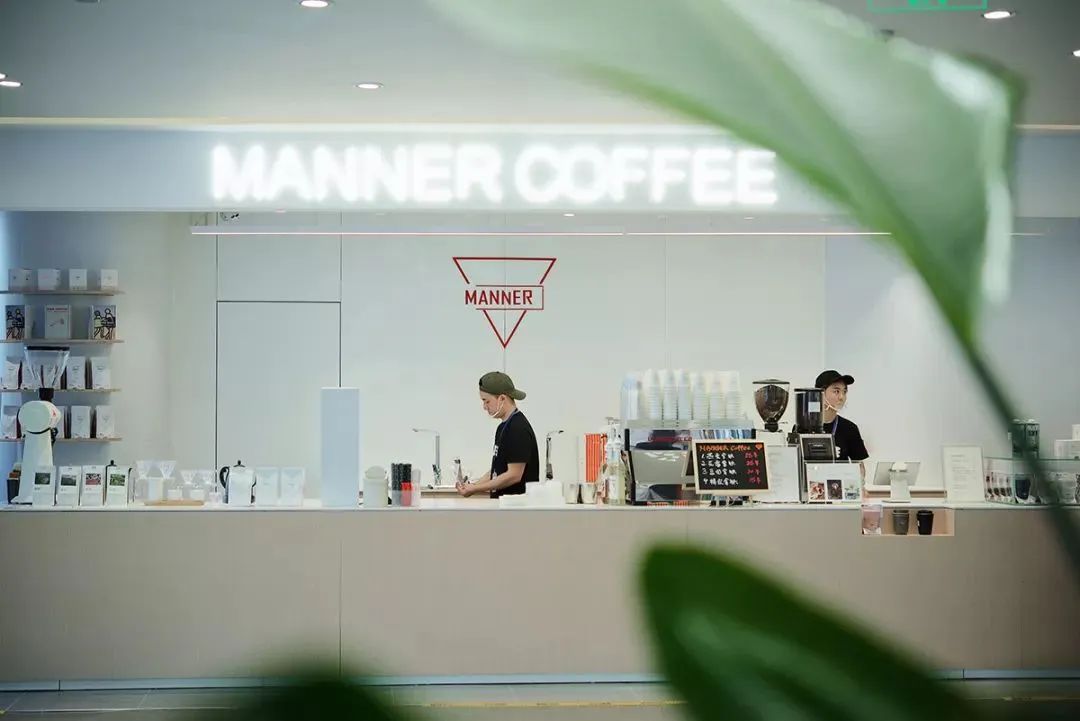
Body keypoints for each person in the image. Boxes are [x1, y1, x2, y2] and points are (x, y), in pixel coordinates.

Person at [457, 371, 540, 499]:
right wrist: (472, 486)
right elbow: (498, 469)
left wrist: (476, 489)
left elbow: (514, 475)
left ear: (502, 398)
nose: (484, 407)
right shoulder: (503, 427)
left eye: (487, 401)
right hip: (502, 504)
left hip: (516, 505)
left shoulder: (518, 428)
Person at [815, 369, 869, 469]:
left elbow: (859, 467)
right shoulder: (804, 427)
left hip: (841, 479)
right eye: (836, 391)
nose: (842, 397)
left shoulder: (850, 428)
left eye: (844, 392)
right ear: (820, 393)